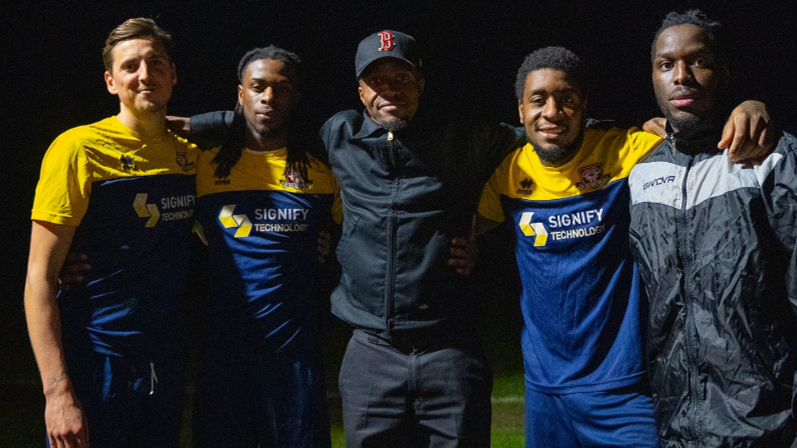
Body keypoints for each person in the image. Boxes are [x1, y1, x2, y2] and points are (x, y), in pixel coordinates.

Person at [477, 46, 774, 447]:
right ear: (520, 111)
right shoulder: (507, 173)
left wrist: (750, 106)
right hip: (544, 390)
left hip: (623, 388)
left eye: (567, 100)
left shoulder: (627, 150)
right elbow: (460, 224)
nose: (551, 111)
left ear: (584, 107)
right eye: (538, 100)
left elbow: (694, 133)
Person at [25, 18, 198, 448]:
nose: (144, 74)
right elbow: (38, 279)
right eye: (130, 66)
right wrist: (57, 393)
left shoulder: (194, 157)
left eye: (155, 63)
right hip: (96, 361)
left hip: (164, 362)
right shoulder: (78, 149)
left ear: (172, 74)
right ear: (110, 81)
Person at [628, 10, 797, 447]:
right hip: (675, 426)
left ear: (724, 72)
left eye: (697, 62)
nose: (680, 76)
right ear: (652, 77)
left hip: (766, 427)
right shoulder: (641, 173)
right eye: (666, 65)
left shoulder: (773, 158)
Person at [191, 45, 339, 448]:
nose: (268, 97)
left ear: (296, 96)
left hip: (293, 357)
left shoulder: (321, 170)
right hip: (224, 355)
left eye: (282, 88)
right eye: (257, 87)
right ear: (240, 93)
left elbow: (359, 232)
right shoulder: (202, 165)